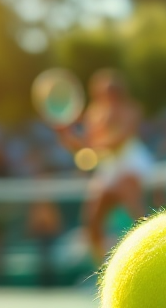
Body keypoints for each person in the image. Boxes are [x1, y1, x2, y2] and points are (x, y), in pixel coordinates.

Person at [55, 69, 152, 264]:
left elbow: (117, 142)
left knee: (137, 211)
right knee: (92, 220)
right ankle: (102, 269)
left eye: (112, 91)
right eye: (105, 92)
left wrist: (90, 145)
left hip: (132, 163)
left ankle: (151, 252)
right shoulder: (94, 114)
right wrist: (66, 135)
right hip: (109, 168)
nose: (109, 95)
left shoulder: (132, 110)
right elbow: (85, 147)